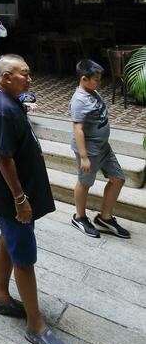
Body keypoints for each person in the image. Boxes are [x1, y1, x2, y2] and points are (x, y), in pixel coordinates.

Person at [0, 55, 73, 344]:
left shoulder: (1, 96)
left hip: (3, 195)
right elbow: (3, 157)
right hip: (12, 198)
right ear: (7, 77)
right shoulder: (4, 108)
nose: (30, 79)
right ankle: (36, 325)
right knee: (24, 256)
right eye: (24, 75)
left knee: (8, 238)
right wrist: (21, 200)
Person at [70, 59, 130, 239]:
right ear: (84, 79)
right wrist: (84, 156)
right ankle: (79, 217)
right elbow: (78, 129)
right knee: (85, 182)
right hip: (89, 150)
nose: (99, 82)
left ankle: (105, 218)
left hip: (104, 148)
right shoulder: (79, 100)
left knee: (118, 178)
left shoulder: (92, 92)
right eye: (96, 79)